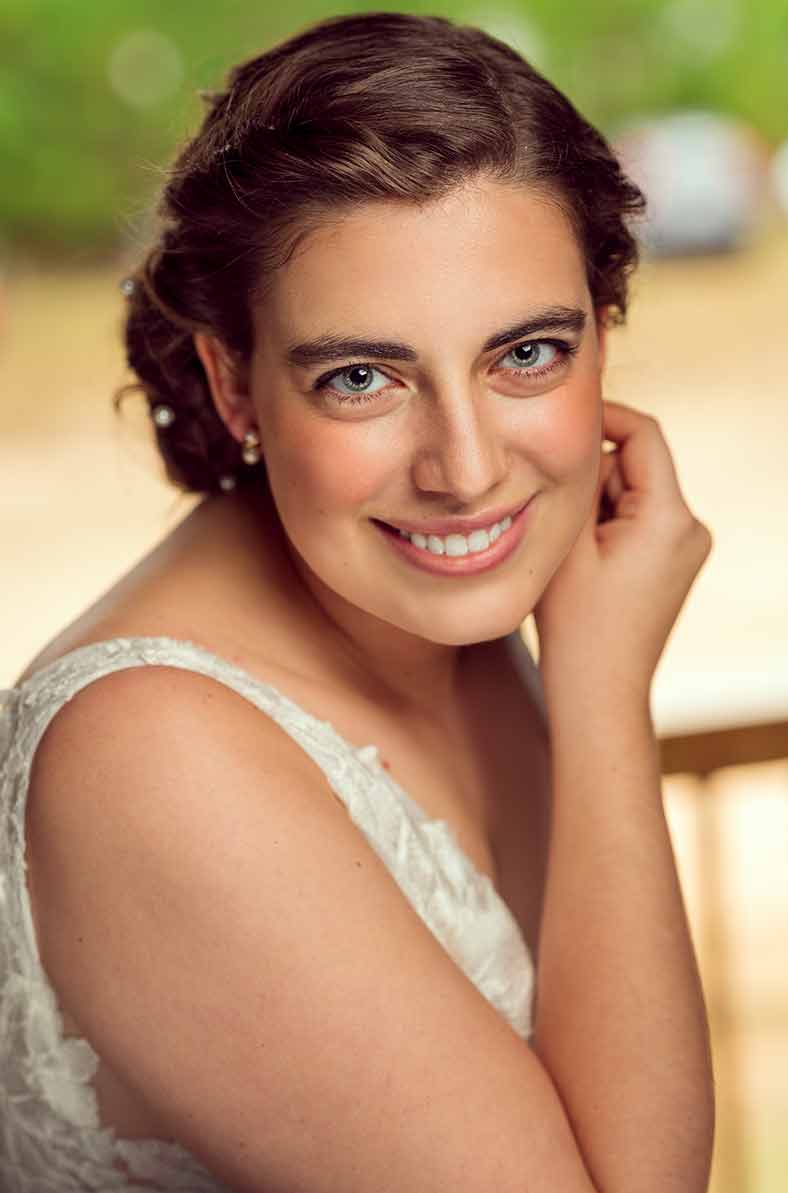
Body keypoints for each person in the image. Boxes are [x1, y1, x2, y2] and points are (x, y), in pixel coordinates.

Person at [0, 11, 715, 1192]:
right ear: (234, 382)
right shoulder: (153, 758)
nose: (467, 467)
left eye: (525, 354)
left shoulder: (439, 606)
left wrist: (585, 663)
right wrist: (604, 695)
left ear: (602, 331)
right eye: (361, 377)